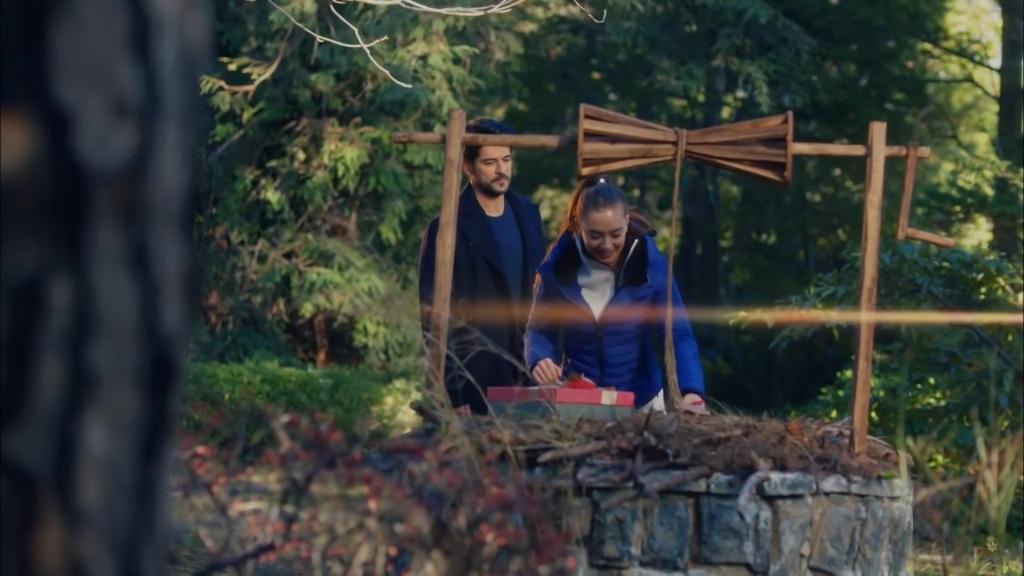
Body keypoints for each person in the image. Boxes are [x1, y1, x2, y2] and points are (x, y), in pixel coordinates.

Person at [525, 177, 706, 413]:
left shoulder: (650, 264)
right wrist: (539, 358)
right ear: (578, 225)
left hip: (643, 402)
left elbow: (678, 333)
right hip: (580, 401)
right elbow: (538, 330)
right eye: (595, 236)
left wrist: (692, 391)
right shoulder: (557, 270)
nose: (607, 245)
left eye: (616, 234)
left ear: (627, 222)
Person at [419, 119, 547, 414]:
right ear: (468, 166)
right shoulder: (448, 225)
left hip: (528, 368)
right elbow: (433, 316)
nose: (501, 169)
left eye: (507, 159)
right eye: (490, 162)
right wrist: (456, 391)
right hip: (477, 373)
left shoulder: (528, 214)